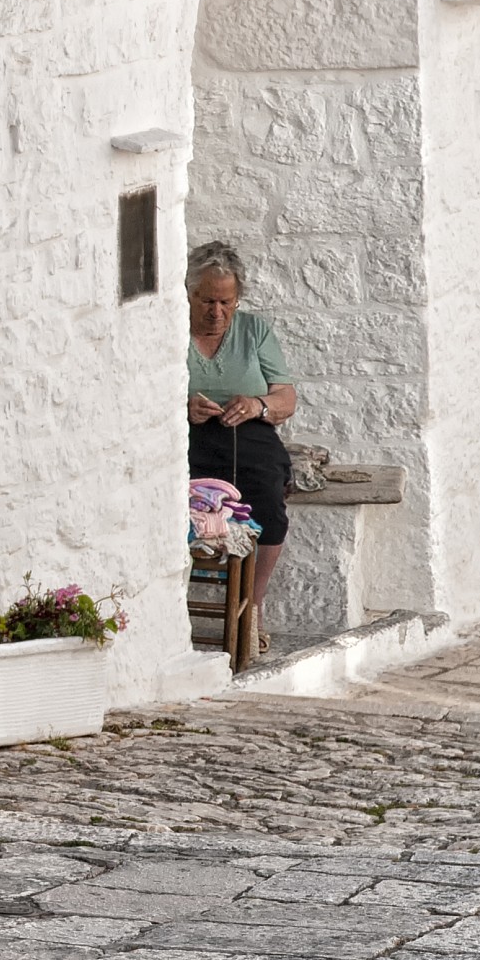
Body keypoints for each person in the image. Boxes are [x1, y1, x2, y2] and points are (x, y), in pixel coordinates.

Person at [185, 241, 299, 653]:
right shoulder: (168, 327)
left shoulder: (255, 331)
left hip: (248, 434)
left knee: (268, 499)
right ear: (189, 294)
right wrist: (184, 406)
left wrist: (257, 404)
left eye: (226, 302)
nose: (217, 312)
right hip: (188, 435)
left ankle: (253, 607)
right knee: (188, 505)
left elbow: (286, 397)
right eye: (207, 301)